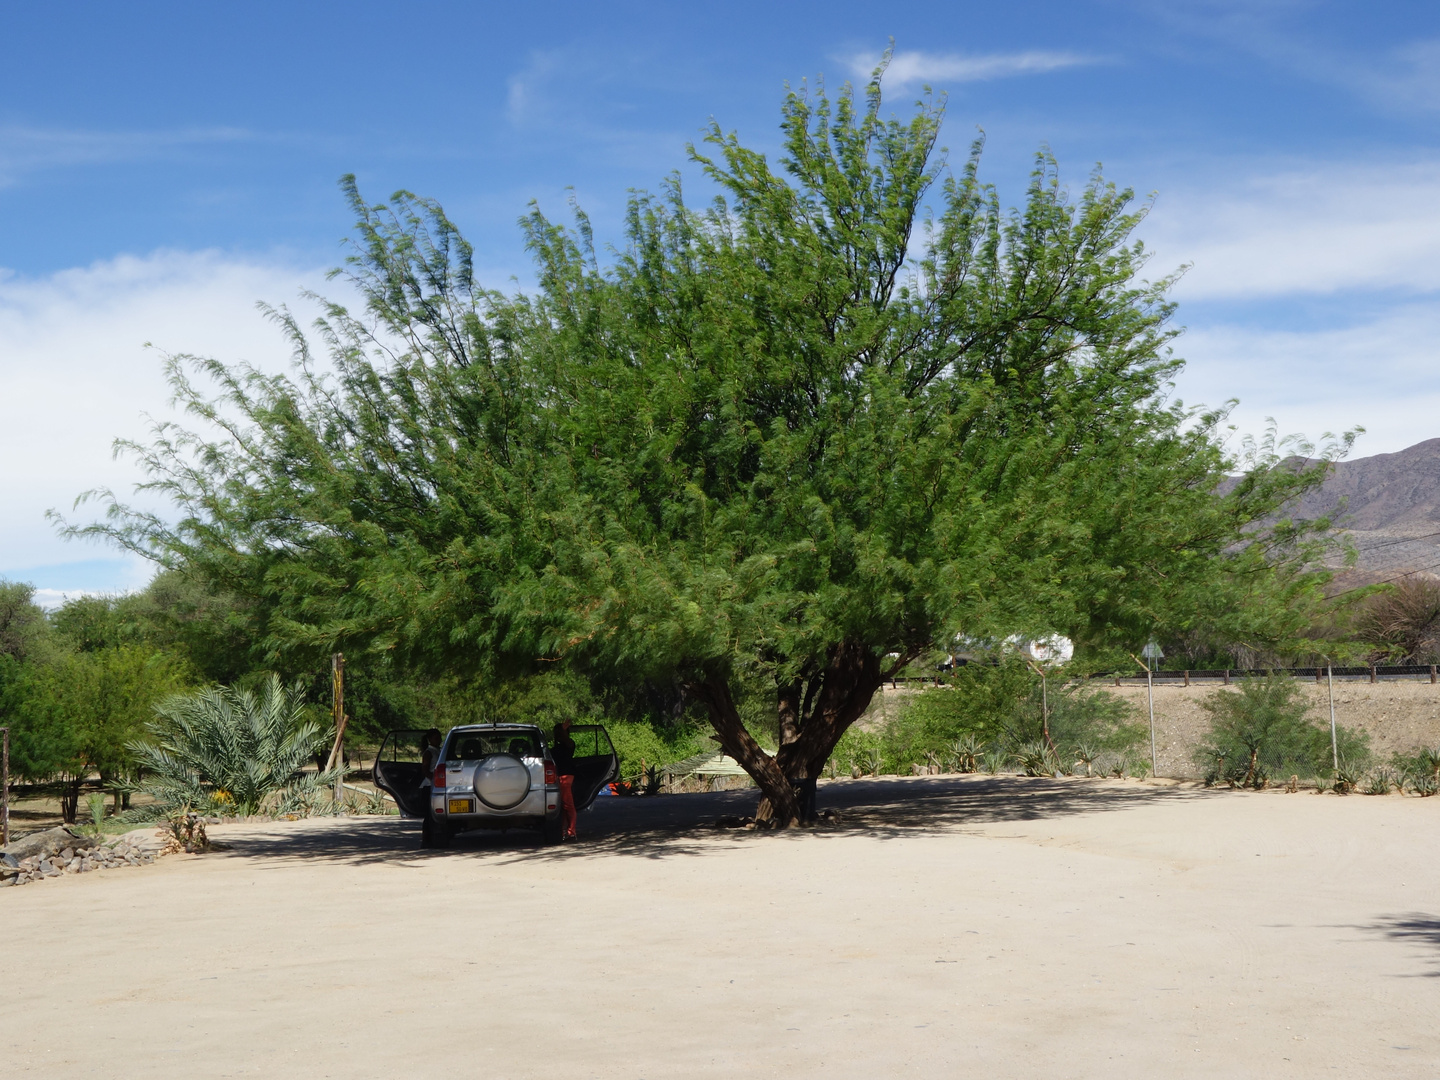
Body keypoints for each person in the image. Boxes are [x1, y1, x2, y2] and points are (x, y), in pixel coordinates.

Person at [552, 720, 578, 840]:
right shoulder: (558, 747)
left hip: (566, 775)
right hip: (560, 775)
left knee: (567, 804)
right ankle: (564, 831)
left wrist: (561, 730)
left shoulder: (569, 744)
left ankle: (571, 831)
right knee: (562, 805)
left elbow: (564, 738)